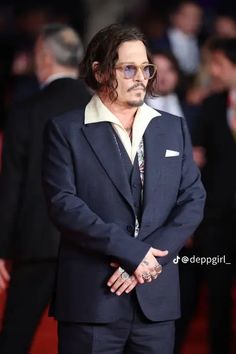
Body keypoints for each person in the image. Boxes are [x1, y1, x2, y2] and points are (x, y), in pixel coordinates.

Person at [42, 23, 206, 354]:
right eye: (128, 68)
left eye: (146, 68)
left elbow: (192, 198)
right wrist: (132, 254)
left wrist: (150, 260)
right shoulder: (67, 130)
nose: (141, 77)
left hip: (155, 300)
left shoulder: (172, 127)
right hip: (92, 300)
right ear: (100, 71)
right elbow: (64, 204)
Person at [0, 23, 90, 354]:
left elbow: (12, 183)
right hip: (91, 244)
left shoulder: (26, 110)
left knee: (15, 336)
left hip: (36, 242)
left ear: (44, 57)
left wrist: (2, 250)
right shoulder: (101, 109)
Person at [192, 37, 236, 354]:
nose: (213, 71)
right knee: (217, 301)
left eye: (219, 64)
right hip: (217, 223)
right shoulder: (209, 106)